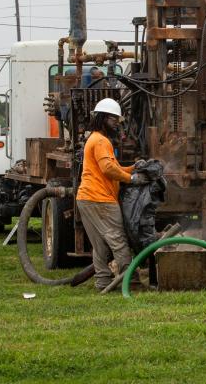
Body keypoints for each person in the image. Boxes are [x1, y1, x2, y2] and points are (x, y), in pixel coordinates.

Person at [75, 98, 147, 291]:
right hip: (100, 199)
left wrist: (133, 168)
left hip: (86, 198)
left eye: (117, 118)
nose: (117, 122)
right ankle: (131, 283)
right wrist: (132, 179)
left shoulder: (95, 139)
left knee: (100, 246)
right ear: (102, 118)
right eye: (113, 118)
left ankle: (103, 282)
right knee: (119, 241)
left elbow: (114, 168)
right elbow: (108, 169)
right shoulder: (101, 141)